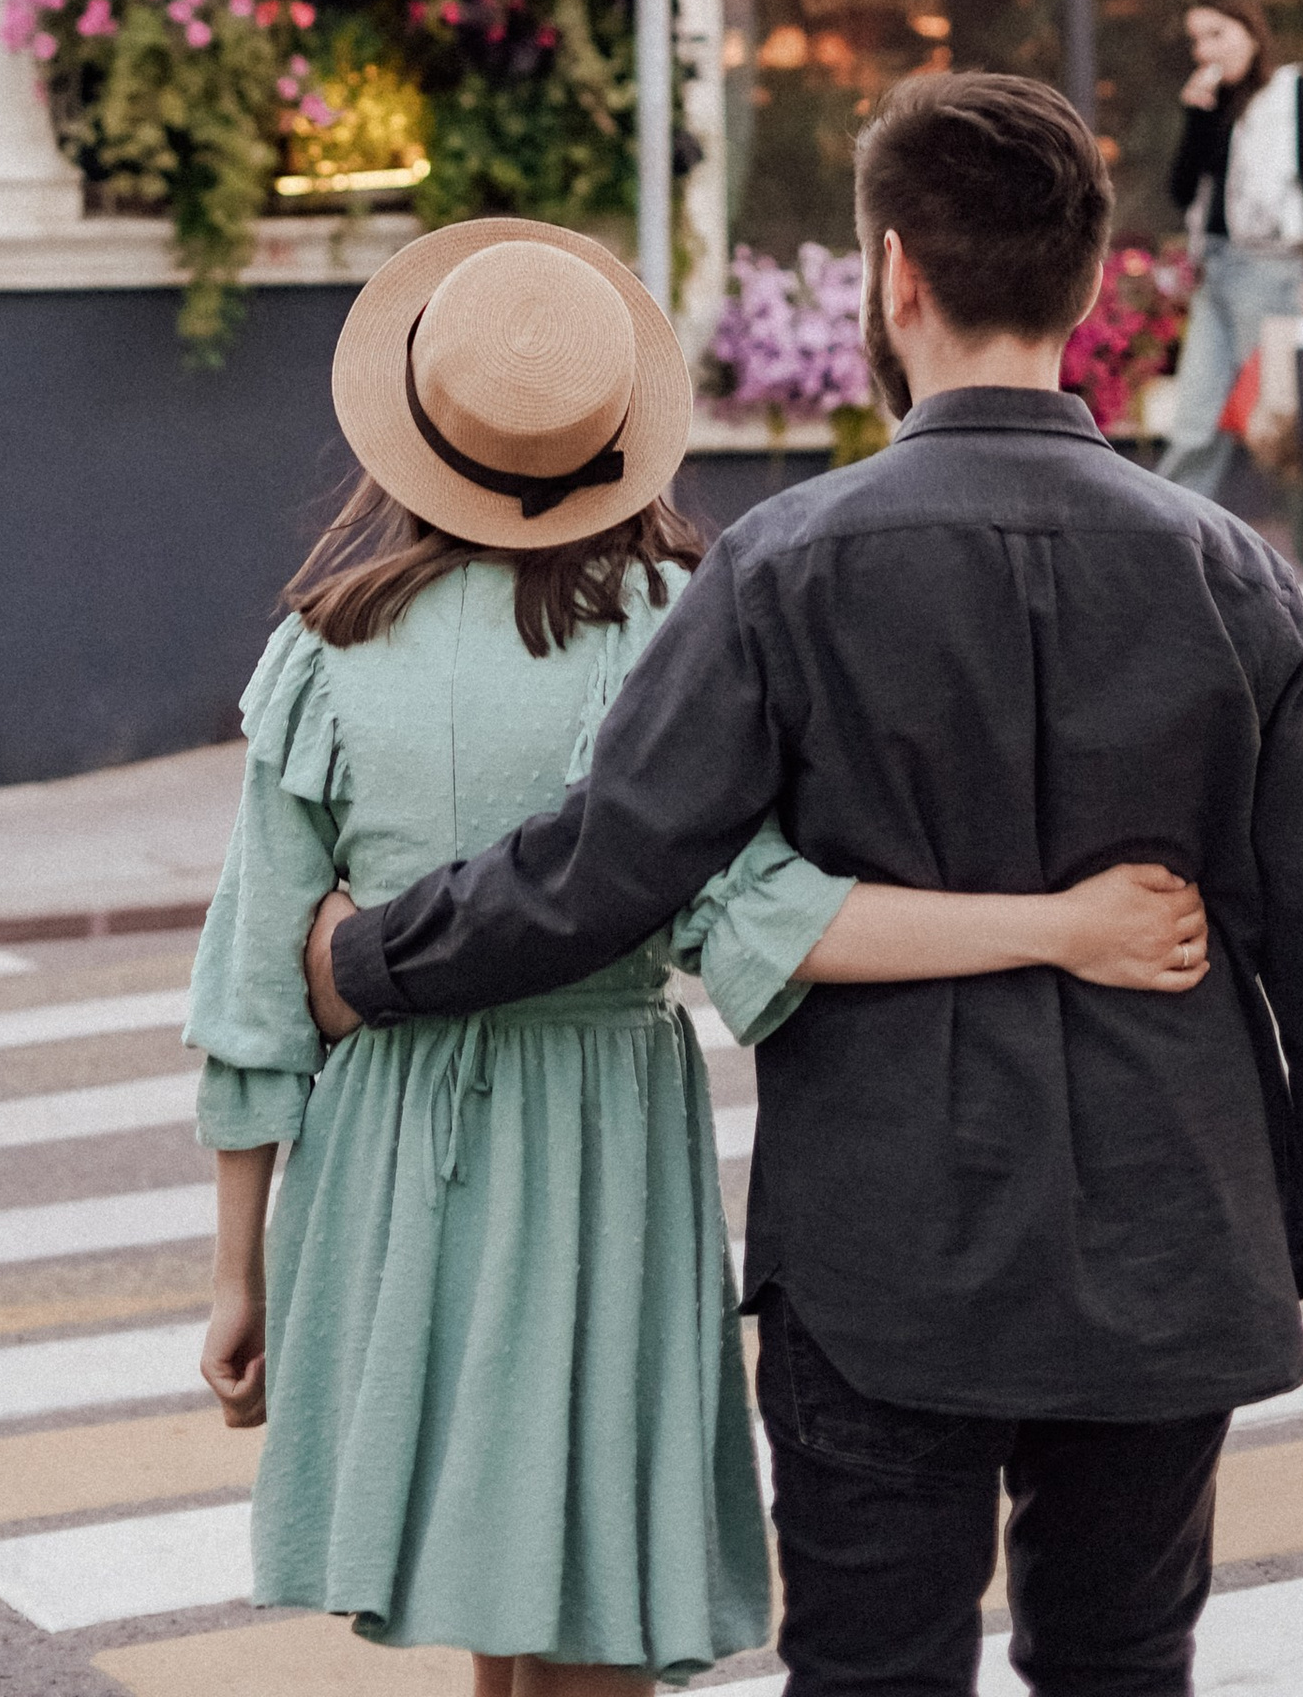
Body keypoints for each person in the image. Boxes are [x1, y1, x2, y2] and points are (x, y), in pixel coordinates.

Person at [311, 81, 1303, 1697]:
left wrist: (369, 963)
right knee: (1124, 1665)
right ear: (1094, 283)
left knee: (872, 1673)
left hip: (887, 1256)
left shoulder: (790, 565)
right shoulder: (1224, 571)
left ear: (893, 277)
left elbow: (602, 866)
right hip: (1175, 1241)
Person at [187, 214, 1213, 1693]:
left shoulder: (325, 646)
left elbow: (255, 981)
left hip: (391, 1151)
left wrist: (239, 1270)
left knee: (496, 1590)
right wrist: (1062, 926)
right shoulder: (679, 621)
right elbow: (764, 918)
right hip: (599, 1138)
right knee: (586, 1582)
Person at [1158, 0, 1303, 585]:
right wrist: (1196, 117)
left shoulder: (1292, 90)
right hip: (1216, 274)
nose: (1206, 49)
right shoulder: (1213, 103)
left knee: (1282, 432)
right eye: (1197, 39)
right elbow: (1183, 191)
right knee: (1194, 428)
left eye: (1217, 33)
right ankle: (1161, 565)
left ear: (1250, 31)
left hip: (1273, 273)